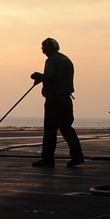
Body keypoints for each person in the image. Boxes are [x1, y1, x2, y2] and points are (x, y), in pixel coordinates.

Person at [30, 37, 84, 167]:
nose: (43, 50)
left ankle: (47, 159)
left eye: (43, 48)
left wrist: (38, 76)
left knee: (50, 130)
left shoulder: (52, 60)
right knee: (67, 128)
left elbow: (49, 76)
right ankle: (77, 156)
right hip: (66, 99)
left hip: (54, 100)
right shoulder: (66, 60)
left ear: (47, 49)